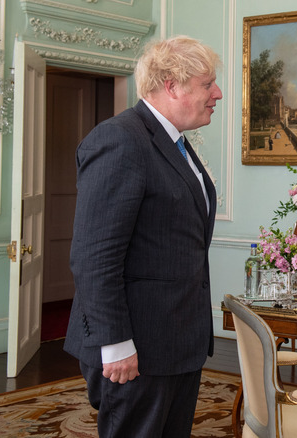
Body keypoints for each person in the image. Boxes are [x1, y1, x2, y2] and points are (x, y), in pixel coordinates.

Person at [64, 36, 222, 438]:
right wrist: (115, 344)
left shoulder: (176, 143)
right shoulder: (120, 140)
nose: (216, 94)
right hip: (135, 347)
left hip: (175, 342)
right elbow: (93, 256)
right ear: (172, 85)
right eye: (208, 84)